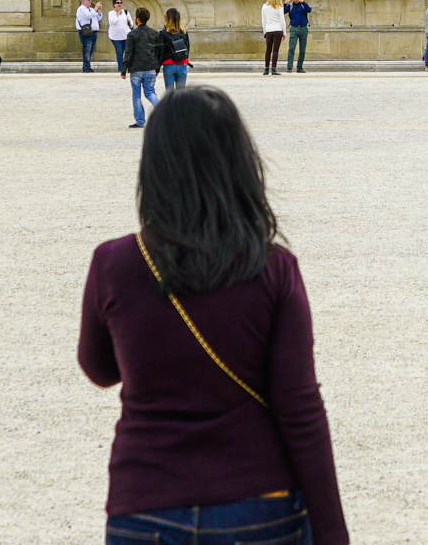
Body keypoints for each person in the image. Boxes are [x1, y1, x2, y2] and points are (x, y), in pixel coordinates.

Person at [78, 87, 347, 545]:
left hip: (146, 498)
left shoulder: (116, 262)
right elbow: (299, 409)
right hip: (258, 497)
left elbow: (99, 369)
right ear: (240, 165)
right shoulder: (273, 268)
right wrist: (332, 532)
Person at [124, 8, 165, 128]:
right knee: (150, 92)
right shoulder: (154, 33)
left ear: (137, 19)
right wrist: (157, 67)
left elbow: (128, 53)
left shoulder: (132, 34)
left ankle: (140, 120)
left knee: (136, 96)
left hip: (136, 68)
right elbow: (159, 51)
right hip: (150, 66)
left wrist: (124, 69)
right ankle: (162, 113)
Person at [161, 8, 190, 91]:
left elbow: (161, 51)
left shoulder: (163, 33)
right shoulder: (184, 32)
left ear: (166, 18)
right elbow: (187, 48)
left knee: (169, 94)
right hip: (182, 64)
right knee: (180, 94)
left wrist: (157, 67)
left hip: (169, 64)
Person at [285, 0, 312, 74]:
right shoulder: (290, 6)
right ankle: (289, 67)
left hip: (303, 28)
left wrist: (302, 1)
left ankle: (299, 67)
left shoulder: (303, 5)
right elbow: (282, 12)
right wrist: (286, 2)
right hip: (294, 28)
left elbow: (309, 10)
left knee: (302, 49)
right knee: (291, 48)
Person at [261, 0, 287, 76]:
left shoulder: (265, 6)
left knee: (268, 50)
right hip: (278, 29)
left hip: (268, 29)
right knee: (275, 50)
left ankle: (266, 68)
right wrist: (284, 32)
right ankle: (274, 68)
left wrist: (264, 31)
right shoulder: (279, 7)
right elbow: (282, 21)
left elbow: (263, 21)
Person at [76, 0, 102, 73]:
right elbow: (88, 16)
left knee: (90, 50)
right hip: (86, 32)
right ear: (83, 1)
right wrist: (96, 8)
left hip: (93, 32)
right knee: (87, 50)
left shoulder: (91, 9)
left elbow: (98, 17)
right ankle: (86, 67)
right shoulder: (81, 9)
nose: (90, 1)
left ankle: (87, 65)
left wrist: (99, 10)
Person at [107, 0, 132, 74]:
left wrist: (129, 22)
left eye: (120, 3)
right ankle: (120, 67)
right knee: (119, 52)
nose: (119, 4)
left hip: (125, 35)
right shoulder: (111, 13)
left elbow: (131, 24)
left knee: (127, 52)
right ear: (114, 4)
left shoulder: (126, 12)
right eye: (117, 3)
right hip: (115, 36)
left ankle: (128, 67)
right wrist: (117, 14)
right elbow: (112, 22)